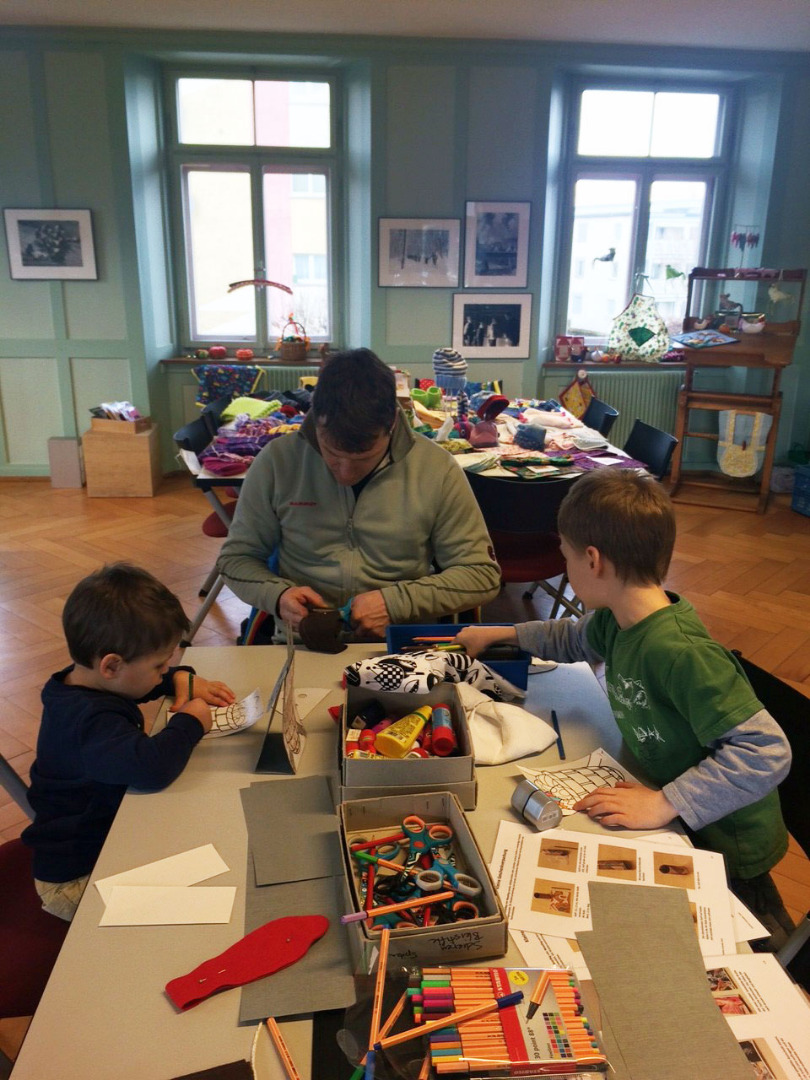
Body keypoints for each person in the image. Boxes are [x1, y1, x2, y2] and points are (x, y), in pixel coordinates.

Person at [454, 469, 794, 948]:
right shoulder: (618, 621)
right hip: (677, 815)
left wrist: (664, 803)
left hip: (728, 844)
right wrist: (501, 633)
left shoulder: (680, 652)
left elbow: (766, 751)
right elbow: (573, 637)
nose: (565, 565)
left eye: (566, 556)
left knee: (753, 947)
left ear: (593, 560)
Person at [216, 347, 501, 640]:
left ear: (392, 422)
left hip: (400, 642)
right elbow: (235, 559)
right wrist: (277, 595)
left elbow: (481, 575)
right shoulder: (277, 461)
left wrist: (396, 602)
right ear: (316, 418)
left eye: (363, 458)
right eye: (331, 454)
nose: (345, 473)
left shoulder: (436, 467)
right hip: (303, 642)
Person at [22, 563, 235, 921]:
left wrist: (176, 680)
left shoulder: (80, 683)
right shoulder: (90, 723)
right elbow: (152, 768)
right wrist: (190, 722)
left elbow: (131, 686)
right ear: (111, 666)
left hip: (105, 840)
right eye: (159, 666)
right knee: (204, 897)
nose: (164, 671)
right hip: (76, 879)